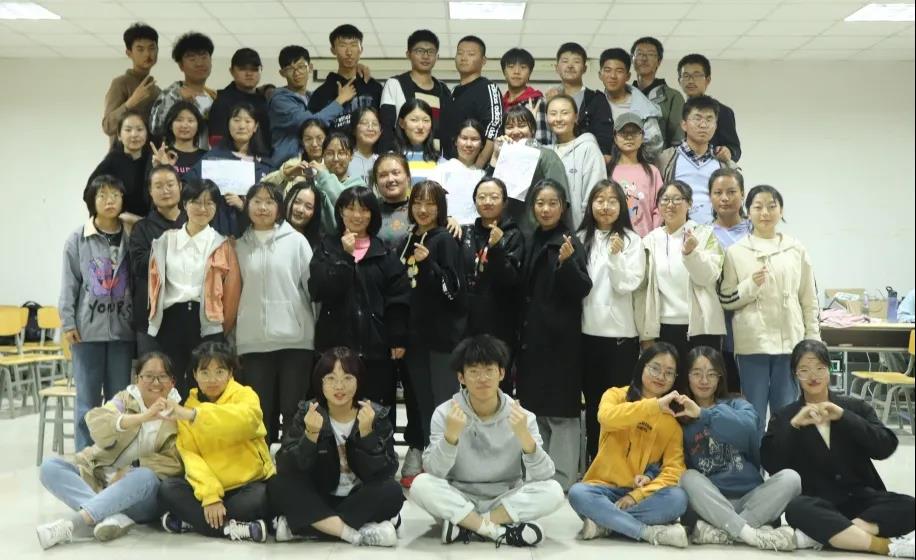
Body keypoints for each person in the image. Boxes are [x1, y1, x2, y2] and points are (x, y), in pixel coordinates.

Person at [762, 340, 916, 556]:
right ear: (795, 374)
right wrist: (794, 425)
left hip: (862, 500)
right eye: (804, 370)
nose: (813, 376)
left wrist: (845, 417)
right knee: (796, 509)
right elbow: (771, 464)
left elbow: (885, 447)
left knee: (910, 506)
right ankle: (883, 545)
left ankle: (827, 535)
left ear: (829, 369)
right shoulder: (785, 416)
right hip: (818, 503)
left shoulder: (854, 407)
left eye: (819, 368)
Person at [410, 335, 565, 547]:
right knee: (420, 485)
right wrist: (450, 438)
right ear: (461, 377)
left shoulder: (521, 416)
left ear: (501, 373)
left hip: (504, 498)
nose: (482, 378)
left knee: (554, 491)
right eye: (473, 372)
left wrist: (525, 438)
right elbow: (434, 471)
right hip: (460, 496)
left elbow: (544, 474)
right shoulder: (446, 413)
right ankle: (497, 531)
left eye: (489, 370)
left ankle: (467, 526)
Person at [36, 352, 183, 549]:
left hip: (140, 496)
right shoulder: (124, 400)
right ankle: (111, 516)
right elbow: (96, 423)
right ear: (137, 379)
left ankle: (73, 524)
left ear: (172, 382)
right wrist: (142, 417)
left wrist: (130, 469)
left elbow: (174, 463)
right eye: (148, 376)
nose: (155, 382)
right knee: (50, 466)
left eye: (162, 376)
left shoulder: (179, 413)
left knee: (145, 476)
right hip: (99, 480)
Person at [268, 346, 405, 546]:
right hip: (320, 495)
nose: (339, 386)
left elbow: (386, 471)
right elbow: (286, 466)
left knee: (392, 491)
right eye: (331, 378)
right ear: (320, 382)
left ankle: (310, 525)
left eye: (347, 378)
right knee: (278, 485)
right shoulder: (308, 411)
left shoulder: (375, 414)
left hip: (357, 498)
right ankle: (353, 531)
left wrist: (367, 435)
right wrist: (310, 436)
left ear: (359, 381)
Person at [676, 346, 801, 551]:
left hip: (751, 498)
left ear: (720, 377)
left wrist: (703, 414)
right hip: (711, 500)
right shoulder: (680, 416)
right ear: (687, 377)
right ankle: (749, 532)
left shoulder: (737, 403)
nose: (704, 380)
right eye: (696, 373)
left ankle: (726, 531)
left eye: (711, 374)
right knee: (688, 478)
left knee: (791, 478)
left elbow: (748, 428)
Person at [718, 185, 820, 431]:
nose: (765, 212)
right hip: (753, 344)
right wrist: (750, 286)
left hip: (790, 343)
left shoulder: (795, 249)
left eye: (771, 206)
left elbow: (808, 298)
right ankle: (755, 457)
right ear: (748, 212)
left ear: (781, 211)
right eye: (758, 207)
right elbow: (726, 298)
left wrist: (813, 339)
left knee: (787, 412)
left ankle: (783, 457)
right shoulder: (736, 252)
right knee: (753, 413)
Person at [568, 342, 689, 547]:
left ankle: (605, 524)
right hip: (602, 490)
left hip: (642, 494)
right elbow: (606, 418)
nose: (661, 376)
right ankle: (646, 531)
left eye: (669, 373)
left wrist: (636, 495)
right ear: (642, 365)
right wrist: (654, 406)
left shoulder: (672, 422)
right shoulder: (616, 395)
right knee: (578, 493)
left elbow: (674, 470)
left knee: (678, 499)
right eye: (655, 368)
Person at [309, 186, 409, 429]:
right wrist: (345, 256)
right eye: (350, 209)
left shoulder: (383, 251)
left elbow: (398, 298)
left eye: (364, 209)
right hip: (335, 347)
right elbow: (319, 290)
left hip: (376, 348)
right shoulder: (327, 247)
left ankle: (378, 451)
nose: (357, 215)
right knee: (335, 409)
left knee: (376, 413)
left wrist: (397, 337)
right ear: (340, 212)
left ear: (372, 214)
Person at [516, 179, 591, 490]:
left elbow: (583, 288)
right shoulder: (531, 238)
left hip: (561, 343)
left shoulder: (569, 242)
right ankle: (538, 475)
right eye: (540, 203)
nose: (545, 209)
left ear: (563, 208)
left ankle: (561, 479)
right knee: (536, 411)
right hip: (533, 341)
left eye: (552, 203)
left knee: (561, 414)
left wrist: (566, 264)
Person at [158, 342, 274, 542]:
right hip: (209, 488)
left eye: (219, 372)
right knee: (168, 488)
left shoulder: (245, 394)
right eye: (204, 373)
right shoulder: (186, 408)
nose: (212, 380)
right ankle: (233, 528)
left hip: (247, 484)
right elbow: (191, 457)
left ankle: (195, 522)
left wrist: (195, 415)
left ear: (230, 373)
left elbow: (246, 421)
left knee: (262, 498)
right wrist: (210, 497)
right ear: (195, 375)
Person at [398, 180, 468, 485]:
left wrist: (429, 265)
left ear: (441, 208)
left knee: (445, 404)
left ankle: (452, 469)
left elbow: (454, 291)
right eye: (417, 202)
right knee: (422, 404)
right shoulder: (407, 239)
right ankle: (431, 463)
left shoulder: (445, 240)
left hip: (442, 339)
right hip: (414, 339)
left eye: (430, 203)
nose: (423, 209)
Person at [235, 183, 316, 444]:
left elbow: (313, 290)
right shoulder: (238, 246)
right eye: (256, 201)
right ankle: (262, 466)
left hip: (296, 342)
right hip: (253, 343)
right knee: (259, 415)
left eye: (270, 202)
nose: (263, 207)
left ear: (280, 208)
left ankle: (292, 464)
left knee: (294, 412)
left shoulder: (297, 242)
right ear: (247, 206)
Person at [60, 175, 135, 451]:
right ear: (92, 201)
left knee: (120, 402)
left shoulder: (131, 236)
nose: (109, 201)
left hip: (123, 333)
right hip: (86, 333)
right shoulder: (78, 239)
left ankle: (118, 458)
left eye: (115, 195)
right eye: (102, 195)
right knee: (87, 403)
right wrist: (68, 322)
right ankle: (86, 459)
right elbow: (69, 284)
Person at [147, 179, 241, 398]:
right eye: (196, 202)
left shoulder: (223, 244)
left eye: (209, 203)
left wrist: (221, 325)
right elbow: (154, 285)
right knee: (171, 388)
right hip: (170, 323)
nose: (202, 208)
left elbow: (232, 293)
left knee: (207, 389)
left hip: (208, 325)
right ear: (185, 204)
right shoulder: (165, 242)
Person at [578, 180, 644, 462]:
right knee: (593, 406)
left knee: (619, 407)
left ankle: (619, 464)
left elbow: (626, 285)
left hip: (621, 338)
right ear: (590, 205)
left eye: (612, 201)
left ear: (622, 206)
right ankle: (595, 463)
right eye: (599, 200)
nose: (605, 206)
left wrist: (615, 257)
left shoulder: (631, 240)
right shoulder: (580, 237)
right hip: (586, 335)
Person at [636, 180, 726, 361]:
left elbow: (708, 277)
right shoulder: (649, 241)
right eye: (665, 199)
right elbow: (642, 290)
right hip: (662, 328)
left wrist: (691, 254)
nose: (670, 205)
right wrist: (645, 333)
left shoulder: (705, 234)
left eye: (677, 199)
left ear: (689, 203)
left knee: (702, 377)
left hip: (701, 327)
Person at [459, 177, 524, 393]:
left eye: (494, 197)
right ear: (475, 201)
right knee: (470, 385)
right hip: (469, 326)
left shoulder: (513, 234)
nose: (487, 202)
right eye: (482, 197)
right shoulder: (466, 233)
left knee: (497, 386)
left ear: (504, 202)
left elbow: (511, 279)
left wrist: (496, 248)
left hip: (500, 326)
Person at [186, 102, 274, 238]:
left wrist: (244, 206)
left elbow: (271, 202)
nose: (242, 126)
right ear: (228, 124)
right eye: (236, 120)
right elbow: (188, 186)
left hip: (253, 234)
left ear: (255, 126)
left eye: (248, 121)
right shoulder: (212, 158)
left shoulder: (264, 164)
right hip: (215, 231)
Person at [128, 165, 186, 355]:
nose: (165, 190)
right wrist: (169, 246)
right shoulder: (141, 228)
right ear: (150, 192)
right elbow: (138, 265)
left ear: (180, 187)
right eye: (158, 186)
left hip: (188, 318)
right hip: (150, 320)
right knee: (152, 371)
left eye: (170, 184)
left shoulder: (194, 223)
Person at [657, 95, 737, 225]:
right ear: (684, 124)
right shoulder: (666, 159)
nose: (703, 125)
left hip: (715, 232)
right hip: (676, 231)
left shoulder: (723, 163)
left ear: (716, 126)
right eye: (697, 118)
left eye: (709, 119)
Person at [268, 45, 354, 166]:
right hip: (287, 166)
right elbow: (308, 123)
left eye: (301, 66)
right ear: (282, 73)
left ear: (310, 67)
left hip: (315, 164)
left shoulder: (313, 97)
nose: (297, 72)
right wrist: (340, 101)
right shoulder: (279, 99)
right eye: (290, 69)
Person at [490, 104, 569, 233]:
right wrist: (495, 155)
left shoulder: (546, 156)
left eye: (522, 126)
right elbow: (487, 192)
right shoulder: (501, 157)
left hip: (539, 233)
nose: (516, 131)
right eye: (509, 127)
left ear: (532, 129)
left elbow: (562, 199)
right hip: (506, 233)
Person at [709, 168, 751, 392]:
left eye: (731, 192)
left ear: (743, 194)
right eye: (718, 193)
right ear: (710, 196)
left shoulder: (755, 230)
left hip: (752, 325)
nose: (724, 198)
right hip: (717, 326)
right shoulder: (703, 234)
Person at [535, 42, 614, 156]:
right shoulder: (548, 99)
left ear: (584, 68)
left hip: (587, 159)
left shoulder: (595, 99)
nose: (570, 66)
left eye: (576, 61)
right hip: (553, 159)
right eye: (565, 61)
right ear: (556, 68)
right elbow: (542, 139)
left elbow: (604, 137)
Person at [379, 29, 452, 153]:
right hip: (403, 157)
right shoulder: (395, 84)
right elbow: (386, 127)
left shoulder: (443, 90)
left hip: (437, 159)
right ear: (408, 54)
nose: (425, 56)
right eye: (419, 51)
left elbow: (447, 130)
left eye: (431, 51)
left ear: (437, 56)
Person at [546, 94, 607, 229]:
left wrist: (584, 233)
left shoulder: (588, 148)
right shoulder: (546, 152)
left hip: (581, 231)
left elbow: (595, 194)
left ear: (576, 117)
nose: (558, 119)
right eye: (553, 114)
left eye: (564, 113)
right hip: (550, 233)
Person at [439, 35, 502, 166]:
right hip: (449, 167)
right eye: (460, 53)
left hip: (474, 169)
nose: (463, 58)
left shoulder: (488, 88)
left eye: (471, 54)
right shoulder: (452, 92)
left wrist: (477, 167)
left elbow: (494, 128)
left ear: (483, 61)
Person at [308, 24, 382, 131]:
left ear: (361, 49)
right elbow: (312, 128)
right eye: (342, 46)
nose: (349, 52)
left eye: (354, 45)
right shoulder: (321, 93)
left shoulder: (375, 88)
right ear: (333, 50)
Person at [149, 32, 216, 147]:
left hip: (210, 156)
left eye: (204, 57)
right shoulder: (172, 94)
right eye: (192, 58)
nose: (199, 63)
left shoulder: (213, 96)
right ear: (181, 66)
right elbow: (154, 127)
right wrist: (178, 100)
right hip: (179, 156)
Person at [596, 48, 664, 161]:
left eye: (619, 71)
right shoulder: (594, 104)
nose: (613, 76)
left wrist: (630, 163)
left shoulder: (644, 109)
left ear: (628, 76)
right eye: (607, 70)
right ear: (600, 75)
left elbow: (654, 148)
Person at [87, 110, 152, 227]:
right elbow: (89, 193)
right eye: (128, 130)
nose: (134, 134)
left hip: (148, 226)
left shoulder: (153, 160)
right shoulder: (112, 161)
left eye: (139, 129)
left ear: (147, 133)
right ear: (119, 135)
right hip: (119, 225)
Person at [102, 23, 161, 145]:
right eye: (140, 49)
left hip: (150, 155)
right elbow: (108, 126)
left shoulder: (157, 91)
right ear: (129, 53)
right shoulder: (121, 83)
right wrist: (130, 102)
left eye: (152, 48)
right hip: (122, 155)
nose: (147, 54)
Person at [606, 112, 663, 237]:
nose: (629, 137)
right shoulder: (607, 171)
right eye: (623, 133)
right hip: (614, 240)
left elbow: (659, 208)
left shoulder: (652, 172)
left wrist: (652, 238)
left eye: (634, 132)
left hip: (646, 241)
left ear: (642, 137)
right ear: (615, 137)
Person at [677, 53, 742, 163]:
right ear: (679, 80)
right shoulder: (676, 110)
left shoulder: (723, 112)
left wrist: (728, 151)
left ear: (707, 80)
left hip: (712, 168)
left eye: (697, 75)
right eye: (686, 76)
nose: (691, 81)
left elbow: (735, 149)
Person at [208, 48, 270, 150]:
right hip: (230, 158)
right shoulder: (222, 100)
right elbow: (217, 141)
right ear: (231, 71)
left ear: (261, 70)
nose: (249, 73)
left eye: (254, 69)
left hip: (265, 158)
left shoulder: (266, 100)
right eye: (243, 69)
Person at [630, 37, 684, 149]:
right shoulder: (624, 95)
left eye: (650, 54)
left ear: (658, 61)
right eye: (639, 54)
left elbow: (678, 140)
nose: (644, 58)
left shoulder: (673, 97)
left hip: (661, 157)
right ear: (632, 59)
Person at [430, 119, 486, 223]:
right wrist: (447, 218)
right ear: (456, 141)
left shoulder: (483, 176)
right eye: (464, 138)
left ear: (482, 144)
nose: (468, 144)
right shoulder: (441, 170)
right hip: (446, 228)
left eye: (474, 139)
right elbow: (430, 203)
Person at [151, 100, 207, 177]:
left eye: (190, 121)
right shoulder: (160, 155)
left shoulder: (206, 157)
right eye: (179, 120)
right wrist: (160, 168)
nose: (185, 125)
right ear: (170, 125)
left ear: (198, 126)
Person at [394, 98, 442, 185]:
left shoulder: (440, 161)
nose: (420, 126)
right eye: (414, 120)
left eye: (426, 120)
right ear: (401, 123)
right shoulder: (391, 159)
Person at [283, 180, 324, 250]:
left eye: (308, 207)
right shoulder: (271, 233)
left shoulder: (319, 247)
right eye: (297, 202)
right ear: (288, 200)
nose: (300, 210)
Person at [348, 106, 381, 183]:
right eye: (364, 123)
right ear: (354, 129)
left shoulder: (383, 160)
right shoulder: (345, 160)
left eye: (375, 124)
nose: (370, 128)